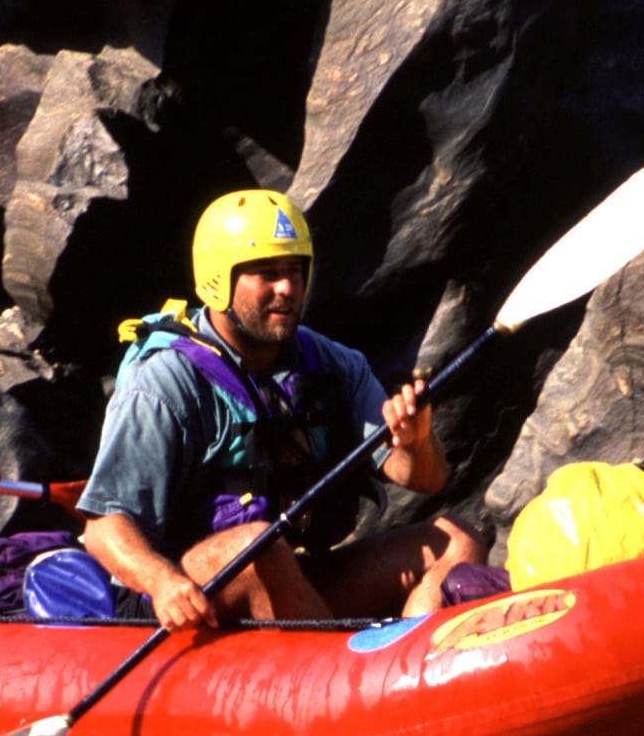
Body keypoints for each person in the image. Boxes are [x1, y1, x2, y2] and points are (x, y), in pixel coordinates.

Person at [76, 190, 483, 627]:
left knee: (458, 540)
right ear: (219, 280)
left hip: (285, 573)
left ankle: (405, 673)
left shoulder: (334, 364)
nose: (287, 288)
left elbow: (424, 478)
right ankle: (335, 670)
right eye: (267, 274)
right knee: (253, 546)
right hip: (183, 595)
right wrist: (161, 582)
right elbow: (103, 527)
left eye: (295, 271)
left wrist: (417, 442)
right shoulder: (162, 383)